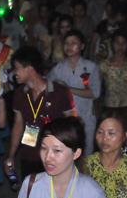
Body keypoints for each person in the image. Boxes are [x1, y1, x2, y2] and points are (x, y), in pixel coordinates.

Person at [7, 46, 76, 178]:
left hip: (54, 155)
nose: (14, 73)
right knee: (31, 187)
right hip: (29, 154)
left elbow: (73, 123)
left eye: (17, 68)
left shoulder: (59, 92)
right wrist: (11, 155)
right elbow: (18, 125)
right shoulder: (19, 94)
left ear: (30, 69)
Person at [48, 30, 102, 155]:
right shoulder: (58, 68)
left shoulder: (91, 67)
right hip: (65, 118)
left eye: (73, 43)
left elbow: (95, 93)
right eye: (66, 43)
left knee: (86, 152)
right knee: (66, 152)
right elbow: (48, 89)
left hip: (86, 117)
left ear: (82, 46)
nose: (69, 46)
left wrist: (68, 89)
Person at [99, 30, 127, 111]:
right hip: (109, 105)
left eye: (123, 43)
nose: (120, 46)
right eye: (117, 43)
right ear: (112, 44)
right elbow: (97, 87)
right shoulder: (104, 65)